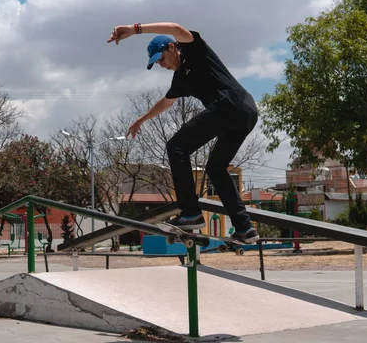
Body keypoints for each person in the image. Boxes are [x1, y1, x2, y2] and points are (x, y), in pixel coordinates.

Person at [107, 22, 259, 244]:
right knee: (215, 168)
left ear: (171, 47)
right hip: (244, 114)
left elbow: (175, 27)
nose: (162, 65)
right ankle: (244, 228)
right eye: (157, 63)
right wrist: (142, 119)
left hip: (231, 103)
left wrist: (135, 29)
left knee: (176, 147)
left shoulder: (193, 49)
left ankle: (190, 213)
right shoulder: (181, 79)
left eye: (161, 59)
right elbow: (166, 102)